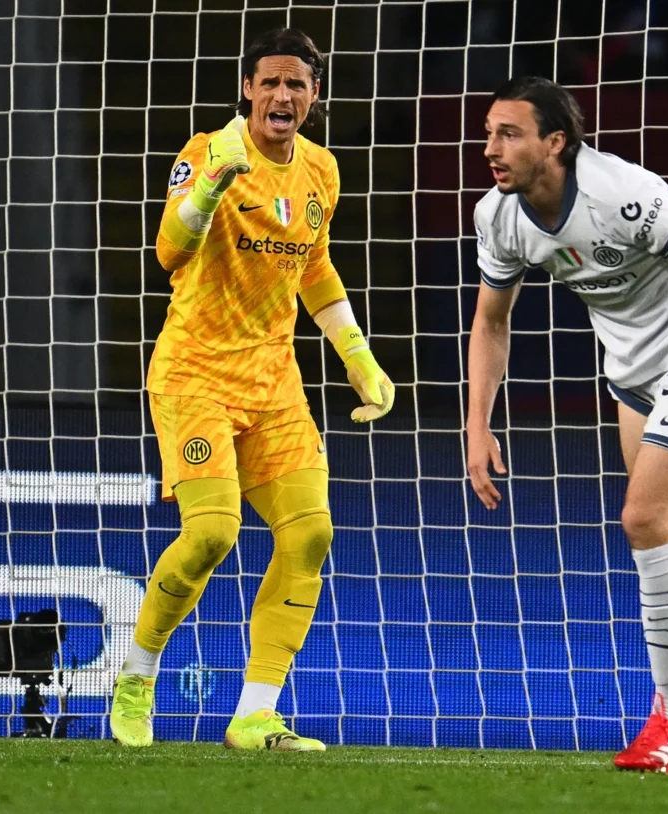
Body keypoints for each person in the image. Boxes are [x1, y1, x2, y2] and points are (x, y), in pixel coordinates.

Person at [466, 76, 668, 775]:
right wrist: (476, 425)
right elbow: (491, 321)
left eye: (508, 133)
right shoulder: (500, 216)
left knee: (641, 520)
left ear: (556, 142)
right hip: (632, 382)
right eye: (488, 132)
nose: (491, 148)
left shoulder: (623, 193)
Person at [109, 28, 394, 751]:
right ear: (247, 88)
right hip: (195, 373)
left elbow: (315, 269)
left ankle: (255, 715)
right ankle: (137, 678)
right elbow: (169, 251)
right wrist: (208, 189)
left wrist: (358, 357)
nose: (282, 95)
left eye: (296, 84)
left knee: (312, 533)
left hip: (275, 382)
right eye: (269, 82)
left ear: (314, 96)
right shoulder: (208, 152)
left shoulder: (322, 170)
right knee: (211, 534)